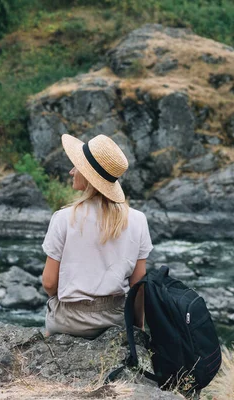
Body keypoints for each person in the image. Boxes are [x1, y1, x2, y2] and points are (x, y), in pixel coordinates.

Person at [41, 133, 153, 339]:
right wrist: (138, 329)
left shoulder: (64, 218)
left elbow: (49, 283)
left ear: (87, 174)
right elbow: (138, 287)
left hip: (68, 321)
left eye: (77, 166)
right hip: (115, 320)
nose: (71, 171)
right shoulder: (138, 220)